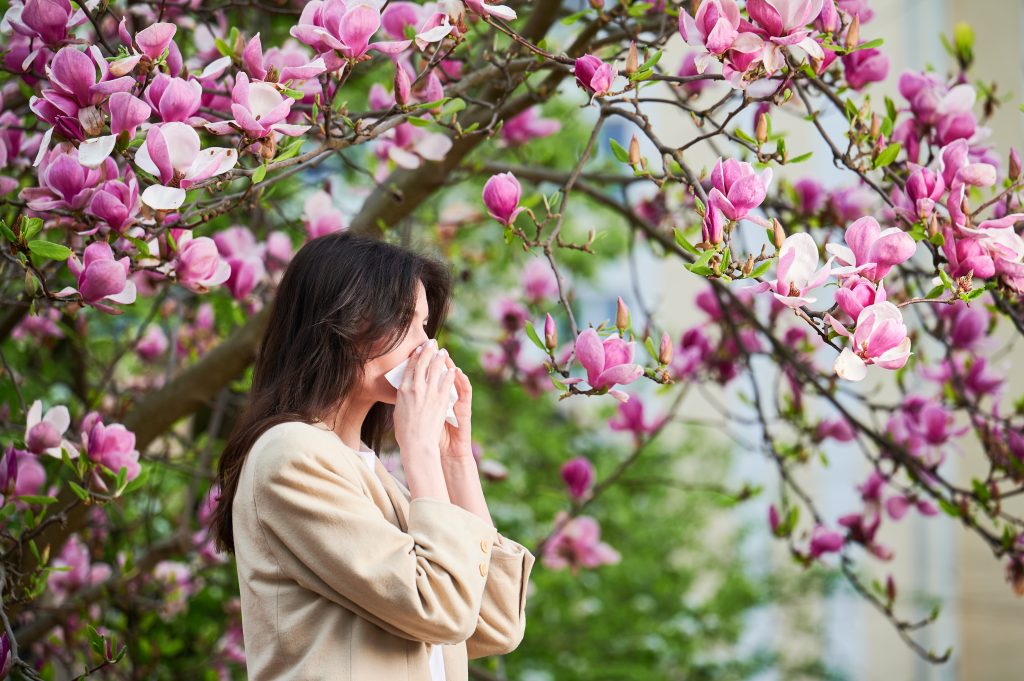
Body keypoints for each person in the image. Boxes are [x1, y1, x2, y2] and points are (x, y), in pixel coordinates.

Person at [208, 231, 536, 680]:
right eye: (404, 320)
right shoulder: (292, 455)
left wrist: (455, 460)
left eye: (425, 325)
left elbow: (494, 623)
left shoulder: (373, 474)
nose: (425, 345)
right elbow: (440, 610)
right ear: (339, 321)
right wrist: (420, 450)